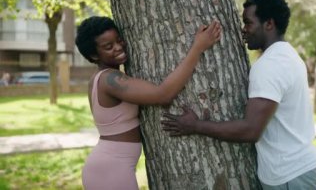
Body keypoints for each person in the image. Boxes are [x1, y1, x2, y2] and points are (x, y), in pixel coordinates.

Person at [162, 0, 316, 190]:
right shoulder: (288, 55)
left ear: (269, 24)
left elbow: (251, 130)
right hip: (296, 168)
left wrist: (195, 126)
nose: (243, 30)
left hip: (289, 174)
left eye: (248, 23)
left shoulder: (270, 65)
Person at [75, 16, 221, 190]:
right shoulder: (109, 79)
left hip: (109, 166)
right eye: (108, 47)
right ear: (93, 55)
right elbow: (163, 95)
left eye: (119, 40)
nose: (119, 47)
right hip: (110, 169)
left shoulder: (103, 78)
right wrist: (197, 48)